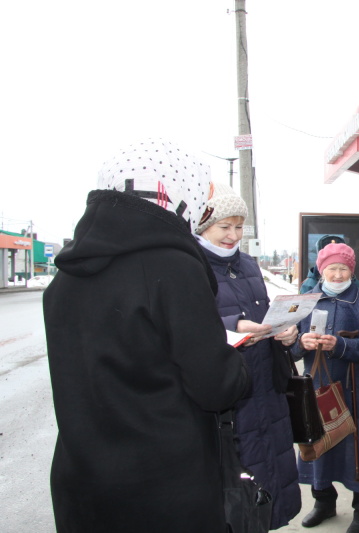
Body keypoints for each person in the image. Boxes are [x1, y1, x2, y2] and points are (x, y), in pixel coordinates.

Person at [43, 140, 251, 533]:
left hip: (81, 486)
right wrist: (239, 363)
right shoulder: (173, 268)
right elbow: (217, 386)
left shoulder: (66, 277)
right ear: (174, 192)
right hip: (165, 490)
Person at [195, 181, 302, 529]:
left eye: (239, 226)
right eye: (224, 226)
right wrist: (233, 326)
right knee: (236, 495)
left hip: (266, 393)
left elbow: (264, 315)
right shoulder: (191, 266)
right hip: (231, 398)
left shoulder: (249, 265)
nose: (232, 235)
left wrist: (284, 333)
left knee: (269, 486)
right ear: (203, 225)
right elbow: (189, 325)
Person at [292, 242, 359, 533]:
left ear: (351, 271)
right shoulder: (307, 299)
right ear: (322, 269)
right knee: (318, 448)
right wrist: (299, 343)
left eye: (343, 268)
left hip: (353, 391)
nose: (337, 274)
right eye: (331, 267)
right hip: (316, 387)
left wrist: (341, 344)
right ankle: (323, 502)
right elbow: (289, 346)